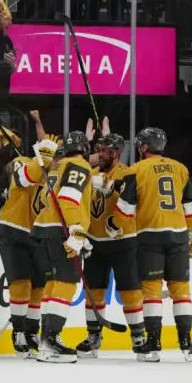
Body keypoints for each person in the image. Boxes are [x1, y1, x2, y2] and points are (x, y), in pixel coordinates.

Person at [115, 127, 192, 362]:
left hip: (150, 236)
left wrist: (117, 224)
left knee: (151, 292)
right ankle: (185, 340)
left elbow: (124, 211)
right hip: (179, 236)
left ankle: (154, 342)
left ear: (143, 147)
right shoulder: (180, 168)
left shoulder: (136, 169)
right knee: (181, 291)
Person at [77, 133, 144, 359]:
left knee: (130, 291)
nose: (99, 155)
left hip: (123, 241)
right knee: (93, 292)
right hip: (95, 242)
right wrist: (82, 233)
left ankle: (138, 336)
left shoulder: (127, 173)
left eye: (104, 151)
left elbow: (133, 202)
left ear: (116, 153)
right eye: (99, 150)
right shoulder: (92, 174)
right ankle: (93, 336)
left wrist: (114, 187)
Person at [30, 130, 93, 364]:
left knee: (53, 283)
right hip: (61, 229)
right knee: (65, 283)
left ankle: (46, 339)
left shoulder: (57, 167)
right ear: (84, 149)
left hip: (44, 228)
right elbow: (68, 199)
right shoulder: (79, 165)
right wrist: (77, 231)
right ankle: (50, 340)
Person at [0, 137, 57, 357]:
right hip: (12, 230)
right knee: (20, 283)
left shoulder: (55, 174)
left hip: (36, 234)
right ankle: (19, 332)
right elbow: (22, 177)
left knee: (39, 285)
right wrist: (42, 159)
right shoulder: (23, 161)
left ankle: (31, 332)